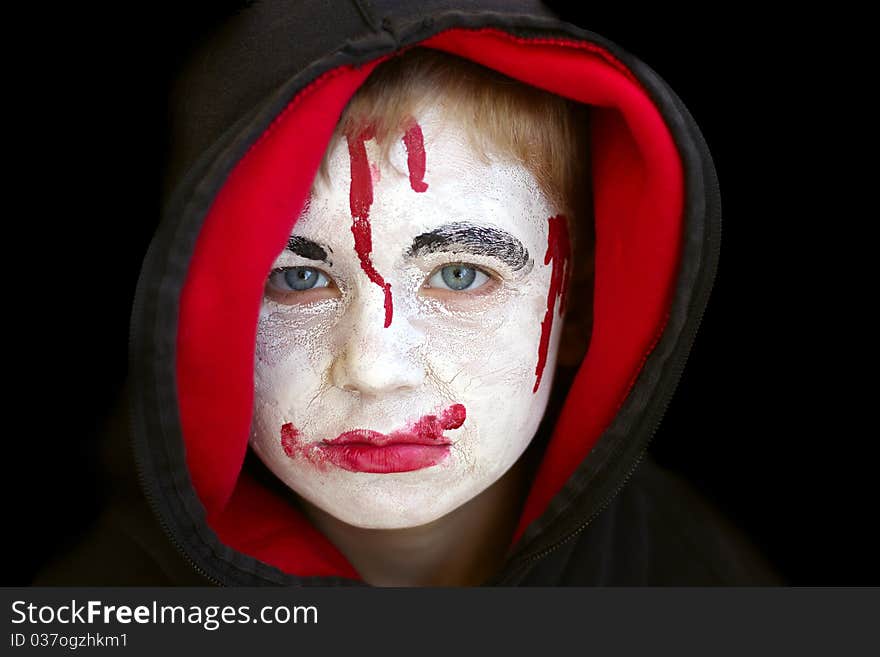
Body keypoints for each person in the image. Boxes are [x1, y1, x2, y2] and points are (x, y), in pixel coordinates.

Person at [35, 0, 782, 586]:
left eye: (462, 274)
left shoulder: (704, 591)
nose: (374, 365)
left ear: (579, 309)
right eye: (298, 277)